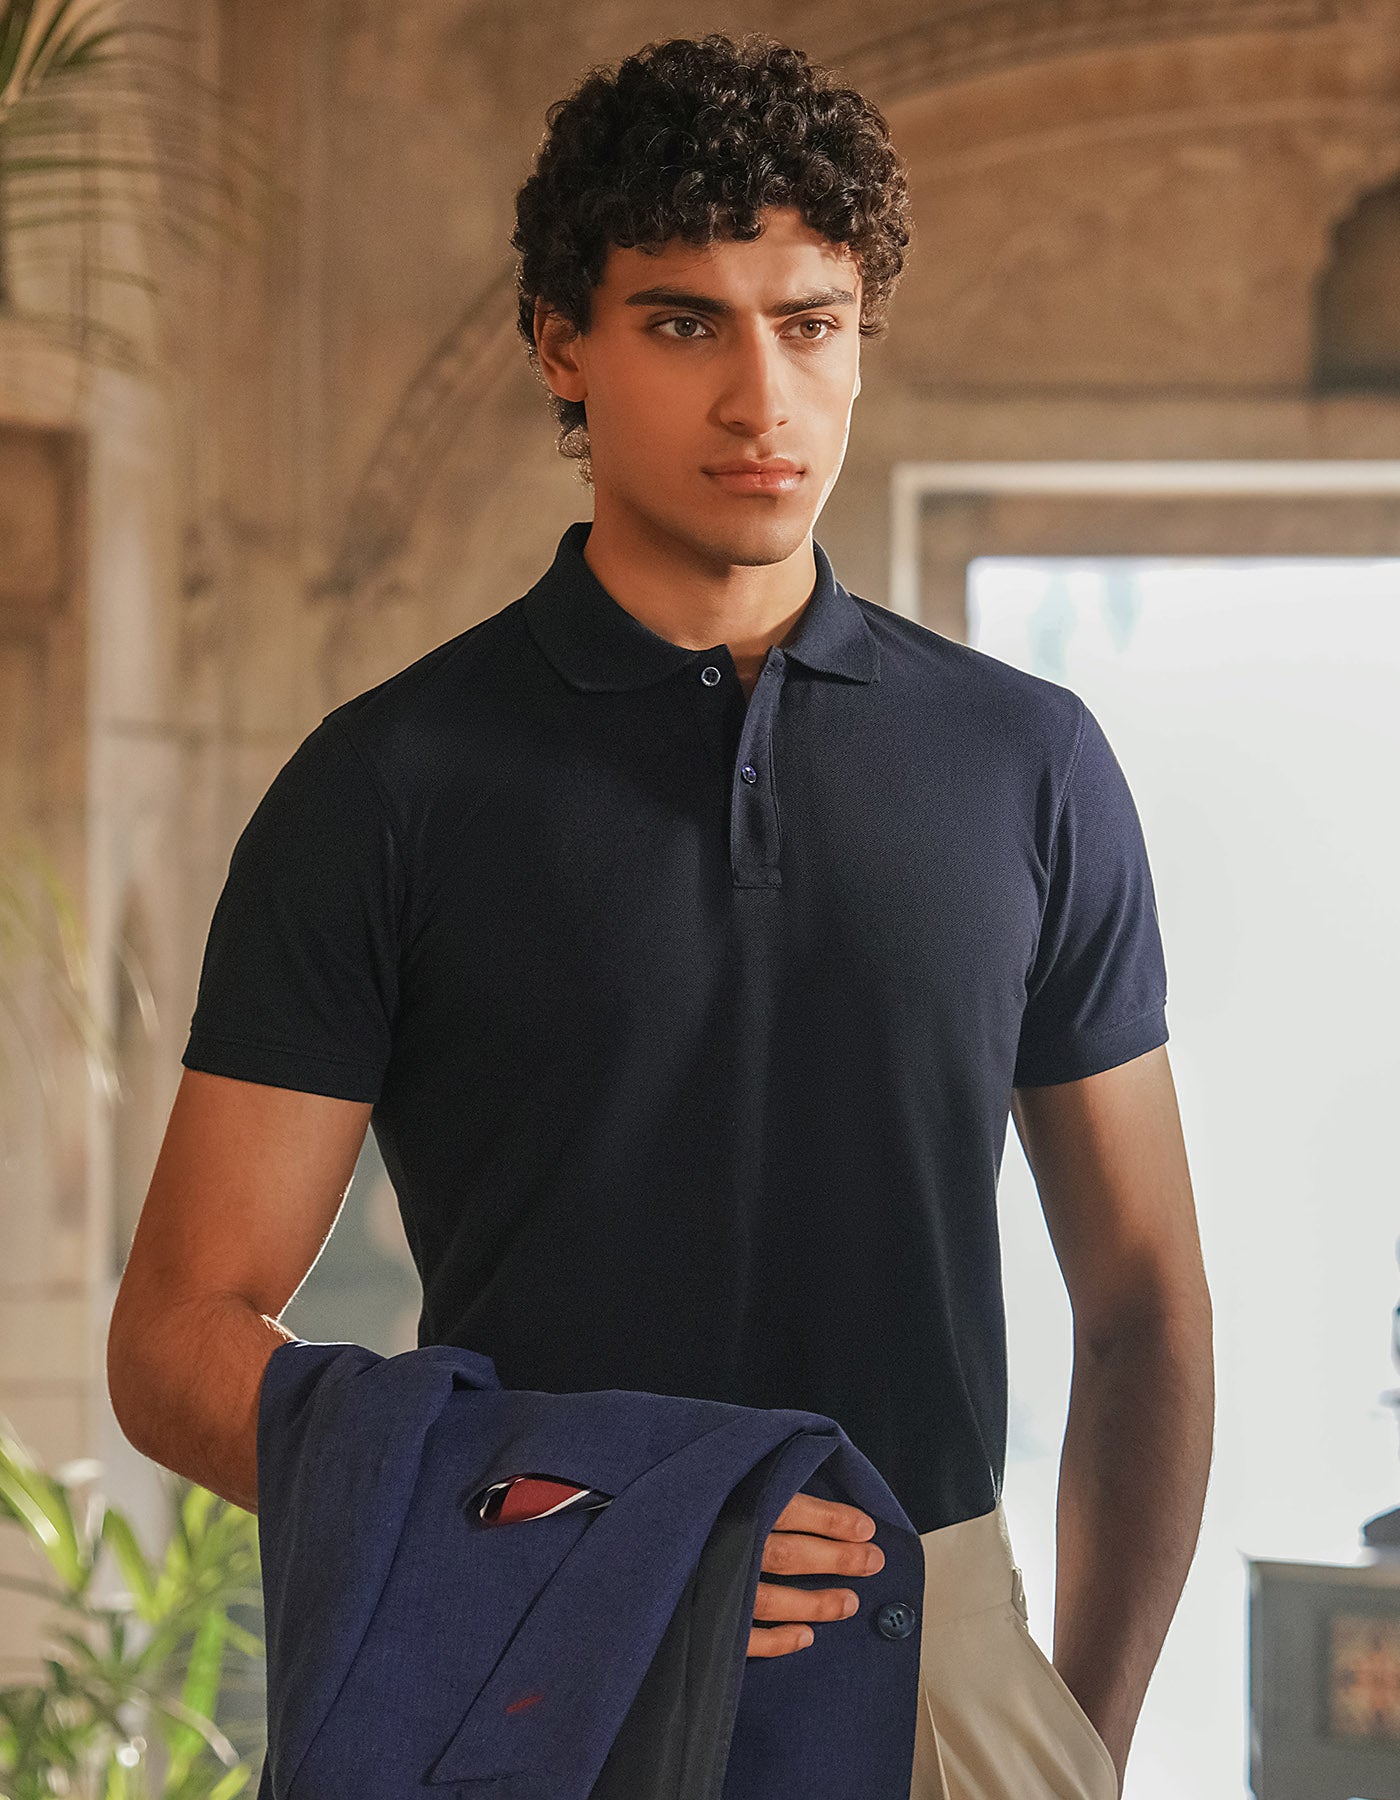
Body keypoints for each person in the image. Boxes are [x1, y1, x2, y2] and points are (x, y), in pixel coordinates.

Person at [107, 31, 1213, 1800]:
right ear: (565, 343)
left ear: (861, 338)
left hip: (944, 1673)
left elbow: (1144, 1301)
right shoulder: (385, 784)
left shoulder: (1030, 763)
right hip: (533, 1659)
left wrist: (1077, 1732)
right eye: (687, 323)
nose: (763, 401)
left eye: (812, 323)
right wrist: (584, 1510)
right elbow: (176, 1335)